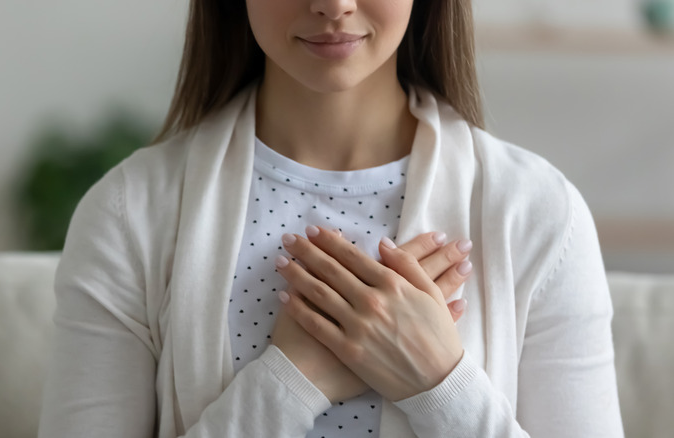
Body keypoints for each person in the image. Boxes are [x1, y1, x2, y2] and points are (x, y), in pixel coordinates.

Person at [37, 0, 625, 436]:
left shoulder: (539, 212)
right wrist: (295, 375)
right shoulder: (129, 214)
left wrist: (439, 382)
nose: (333, 5)